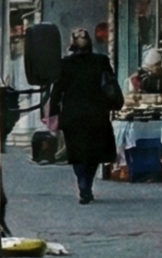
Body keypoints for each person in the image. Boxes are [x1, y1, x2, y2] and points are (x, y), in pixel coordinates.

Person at [46, 27, 122, 205]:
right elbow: (110, 84)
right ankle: (87, 183)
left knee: (77, 152)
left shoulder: (65, 64)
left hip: (73, 116)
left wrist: (53, 112)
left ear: (72, 44)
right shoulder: (101, 61)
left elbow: (57, 91)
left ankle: (83, 185)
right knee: (93, 153)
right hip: (97, 114)